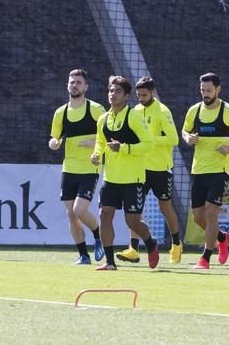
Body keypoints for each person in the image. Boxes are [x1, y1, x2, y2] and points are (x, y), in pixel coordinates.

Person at [182, 72, 229, 269]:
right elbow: (185, 130)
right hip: (199, 169)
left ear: (218, 90)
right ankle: (222, 238)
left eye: (209, 90)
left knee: (211, 211)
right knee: (198, 217)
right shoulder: (194, 111)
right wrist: (188, 138)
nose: (205, 94)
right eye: (202, 90)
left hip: (220, 169)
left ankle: (205, 257)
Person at [90, 76, 160, 270]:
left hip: (133, 179)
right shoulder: (103, 118)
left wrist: (124, 148)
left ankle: (151, 243)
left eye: (118, 91)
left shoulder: (134, 117)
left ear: (127, 95)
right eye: (111, 91)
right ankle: (110, 262)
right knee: (104, 215)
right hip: (110, 178)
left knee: (132, 221)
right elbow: (100, 142)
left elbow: (149, 144)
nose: (113, 94)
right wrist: (97, 154)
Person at [116, 77, 183, 264]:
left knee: (165, 207)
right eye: (138, 95)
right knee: (135, 210)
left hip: (161, 168)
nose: (141, 99)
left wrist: (150, 140)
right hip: (140, 169)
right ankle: (133, 249)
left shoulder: (163, 111)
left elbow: (174, 139)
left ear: (152, 92)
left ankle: (176, 243)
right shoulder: (135, 111)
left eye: (144, 95)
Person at [49, 69, 106, 264]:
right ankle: (83, 255)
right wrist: (54, 143)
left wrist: (93, 143)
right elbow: (55, 137)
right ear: (67, 85)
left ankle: (98, 236)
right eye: (71, 82)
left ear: (86, 87)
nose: (74, 85)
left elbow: (109, 135)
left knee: (80, 210)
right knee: (71, 214)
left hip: (90, 167)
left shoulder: (97, 110)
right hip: (69, 168)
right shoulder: (61, 112)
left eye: (78, 82)